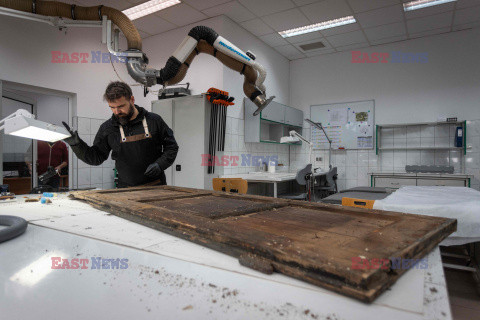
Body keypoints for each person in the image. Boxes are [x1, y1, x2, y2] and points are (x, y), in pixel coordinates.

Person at [62, 81, 179, 188]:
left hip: (156, 187)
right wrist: (77, 145)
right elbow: (95, 158)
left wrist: (160, 164)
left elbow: (172, 147)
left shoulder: (154, 120)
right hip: (124, 190)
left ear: (132, 100)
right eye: (112, 107)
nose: (117, 112)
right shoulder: (108, 128)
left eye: (121, 106)